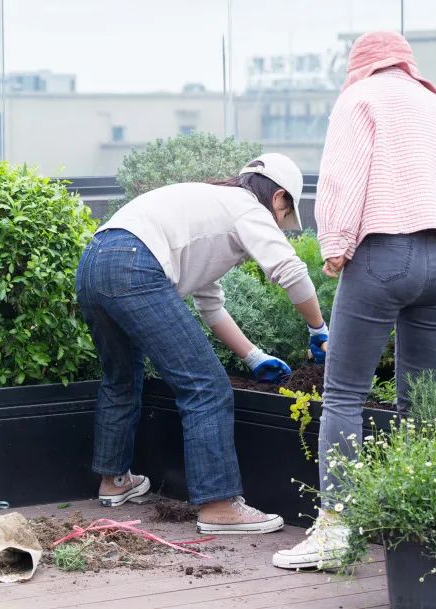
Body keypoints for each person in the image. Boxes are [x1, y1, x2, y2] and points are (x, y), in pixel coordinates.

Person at [272, 31, 436, 570]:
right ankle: (430, 529)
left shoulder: (360, 98)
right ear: (407, 64)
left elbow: (344, 178)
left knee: (344, 395)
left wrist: (336, 245)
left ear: (360, 66)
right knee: (423, 404)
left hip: (382, 254)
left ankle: (336, 532)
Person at [76, 153, 329, 534]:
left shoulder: (209, 207)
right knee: (207, 388)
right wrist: (318, 329)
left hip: (95, 263)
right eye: (284, 216)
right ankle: (219, 506)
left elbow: (210, 305)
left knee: (122, 378)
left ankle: (114, 482)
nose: (279, 225)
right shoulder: (247, 207)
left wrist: (253, 355)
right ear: (279, 198)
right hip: (135, 265)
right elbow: (290, 270)